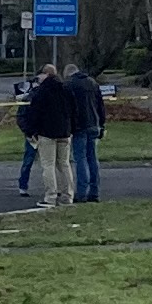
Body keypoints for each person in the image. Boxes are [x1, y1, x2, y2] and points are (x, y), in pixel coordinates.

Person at [18, 66, 75, 206]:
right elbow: (74, 109)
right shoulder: (66, 89)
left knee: (48, 165)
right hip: (65, 131)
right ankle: (67, 196)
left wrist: (31, 131)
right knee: (64, 164)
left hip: (47, 133)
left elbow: (34, 113)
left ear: (46, 74)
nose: (38, 79)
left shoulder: (41, 92)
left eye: (39, 76)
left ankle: (51, 196)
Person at [69, 68, 105, 204]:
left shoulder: (70, 85)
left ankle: (82, 193)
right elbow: (100, 106)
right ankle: (94, 193)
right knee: (93, 158)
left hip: (79, 126)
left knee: (81, 159)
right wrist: (102, 124)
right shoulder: (93, 83)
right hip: (93, 124)